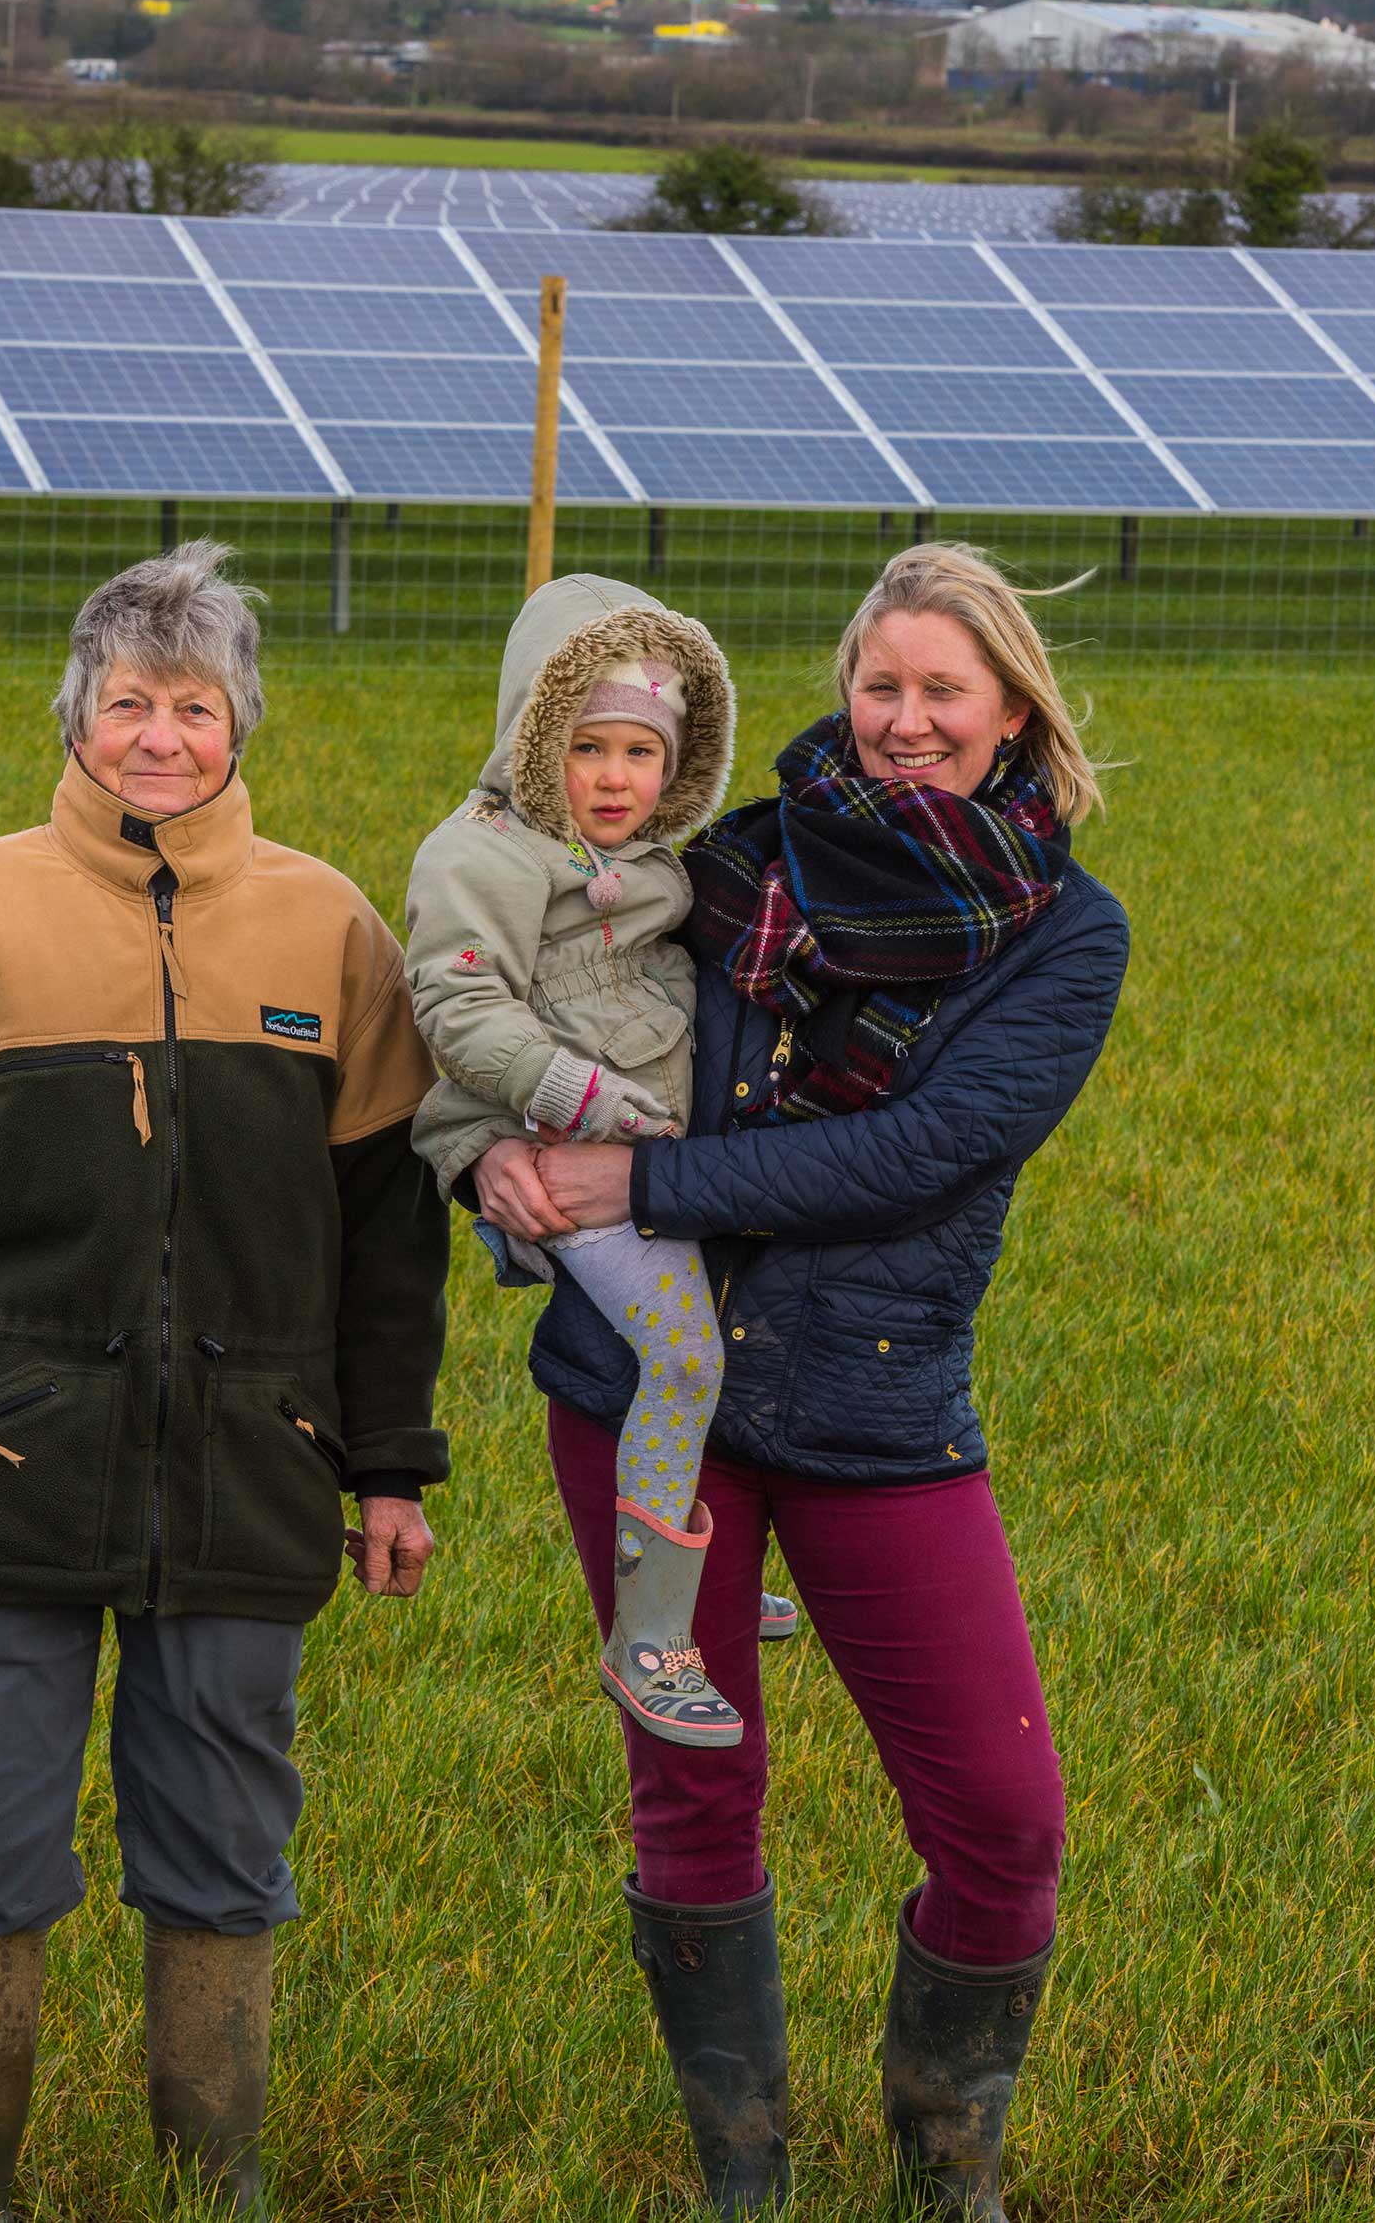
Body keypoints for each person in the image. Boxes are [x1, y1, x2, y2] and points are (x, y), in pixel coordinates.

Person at [0, 540, 449, 2223]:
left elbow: (387, 1246)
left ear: (243, 725)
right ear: (80, 717)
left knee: (225, 1848)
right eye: (130, 703)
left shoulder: (331, 930)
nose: (161, 735)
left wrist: (388, 1467)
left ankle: (210, 2180)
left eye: (196, 704)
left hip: (252, 1469)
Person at [470, 543, 1131, 2221]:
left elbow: (923, 1151)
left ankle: (946, 2163)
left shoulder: (1060, 932)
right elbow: (531, 994)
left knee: (1005, 1816)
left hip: (876, 1410)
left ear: (1009, 717)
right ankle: (741, 2180)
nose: (903, 721)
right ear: (845, 690)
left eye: (942, 693)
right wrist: (488, 1160)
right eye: (878, 685)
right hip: (638, 1390)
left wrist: (644, 1187)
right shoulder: (730, 867)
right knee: (694, 1781)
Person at [405, 571, 754, 1746]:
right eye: (588, 746)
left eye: (642, 754)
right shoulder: (482, 853)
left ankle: (689, 1572)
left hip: (641, 1161)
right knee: (686, 1354)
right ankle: (649, 1633)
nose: (615, 778)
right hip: (564, 1164)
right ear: (534, 735)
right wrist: (583, 1098)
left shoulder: (656, 862)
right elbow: (457, 1009)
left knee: (710, 1338)